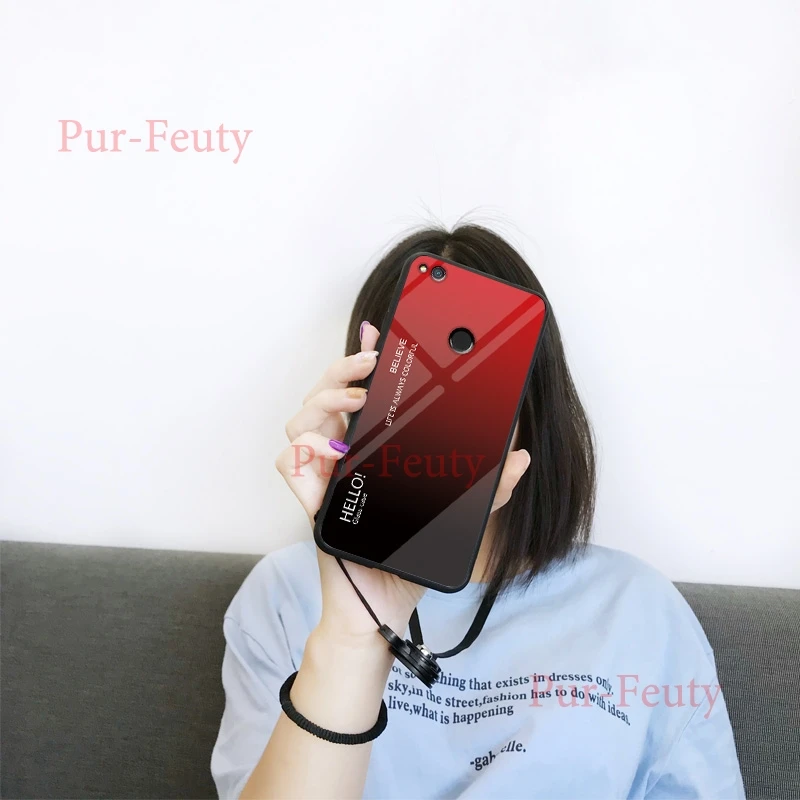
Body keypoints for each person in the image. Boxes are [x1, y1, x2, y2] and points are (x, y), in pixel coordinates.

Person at [210, 224, 745, 799]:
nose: (437, 416)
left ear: (532, 409)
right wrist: (351, 634)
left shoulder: (638, 612)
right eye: (415, 381)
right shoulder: (284, 598)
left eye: (473, 380)